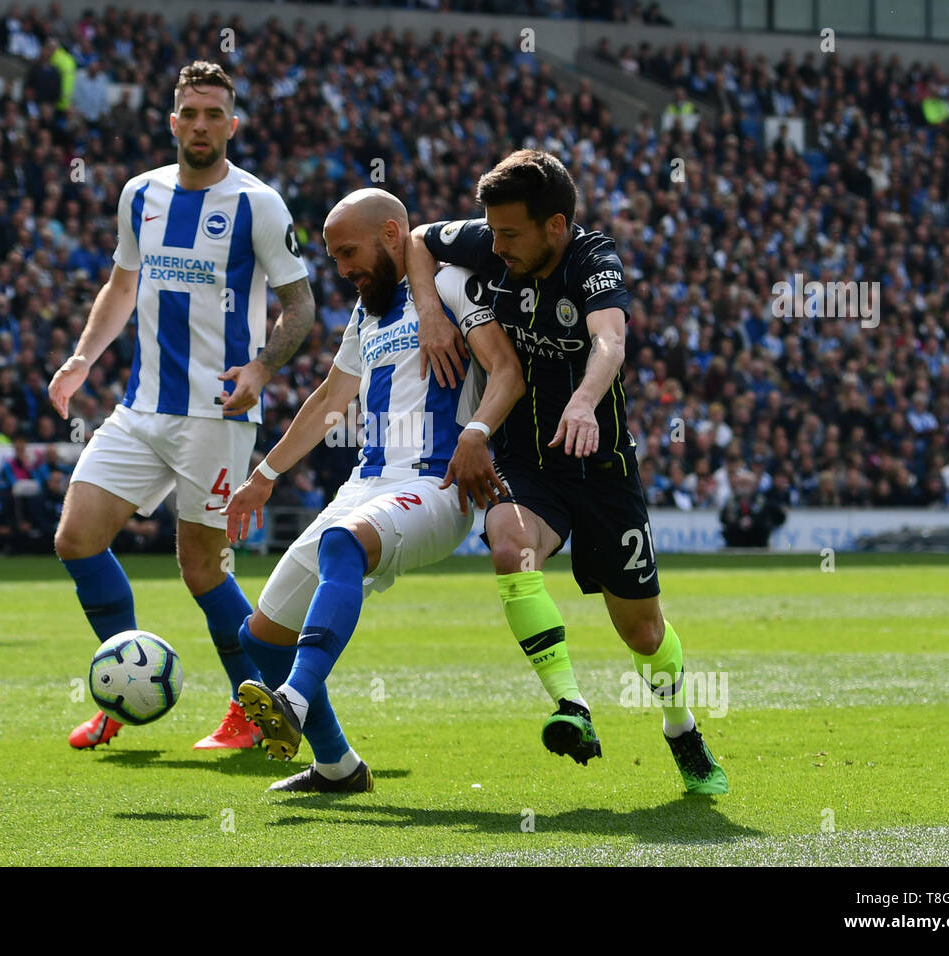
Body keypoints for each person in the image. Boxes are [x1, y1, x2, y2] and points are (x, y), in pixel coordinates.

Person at [410, 149, 727, 794]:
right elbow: (418, 239)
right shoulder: (490, 240)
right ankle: (571, 706)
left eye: (510, 234)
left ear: (555, 225)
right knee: (509, 546)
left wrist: (583, 400)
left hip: (603, 470)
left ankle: (681, 729)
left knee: (643, 631)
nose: (495, 247)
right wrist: (429, 311)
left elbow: (609, 339)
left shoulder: (592, 262)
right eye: (490, 231)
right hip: (529, 464)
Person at [47, 62, 317, 752]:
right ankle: (122, 686)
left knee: (203, 570)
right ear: (173, 122)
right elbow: (120, 284)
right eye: (189, 113)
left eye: (213, 114)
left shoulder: (258, 204)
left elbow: (300, 304)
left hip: (215, 415)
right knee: (76, 537)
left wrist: (261, 366)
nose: (201, 125)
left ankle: (251, 708)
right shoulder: (140, 194)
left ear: (232, 124)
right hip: (141, 407)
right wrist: (82, 358)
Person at [223, 189, 523, 791]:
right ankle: (338, 766)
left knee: (343, 544)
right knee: (260, 632)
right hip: (366, 483)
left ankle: (294, 700)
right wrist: (263, 477)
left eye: (348, 253)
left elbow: (507, 370)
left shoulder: (455, 287)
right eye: (333, 258)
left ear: (392, 235)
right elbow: (331, 400)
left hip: (436, 483)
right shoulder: (367, 314)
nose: (342, 270)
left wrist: (478, 434)